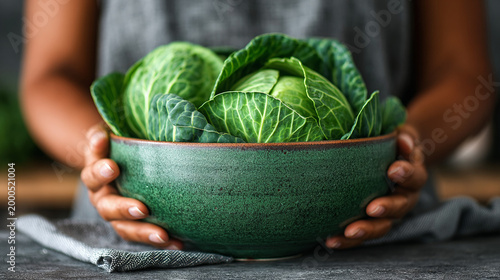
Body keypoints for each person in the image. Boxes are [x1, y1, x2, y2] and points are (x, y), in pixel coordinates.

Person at [21, 0, 495, 251]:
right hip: (134, 228)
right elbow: (48, 76)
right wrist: (100, 153)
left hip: (379, 232)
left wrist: (405, 146)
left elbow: (463, 72)